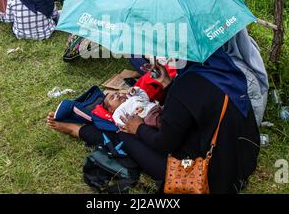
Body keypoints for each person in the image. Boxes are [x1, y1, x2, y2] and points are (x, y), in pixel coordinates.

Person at [47, 48, 261, 194]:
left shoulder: (186, 85)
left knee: (124, 134)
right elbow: (194, 110)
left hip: (215, 178)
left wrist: (137, 127)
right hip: (243, 160)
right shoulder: (221, 65)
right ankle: (81, 129)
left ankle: (79, 130)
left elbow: (164, 142)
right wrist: (167, 84)